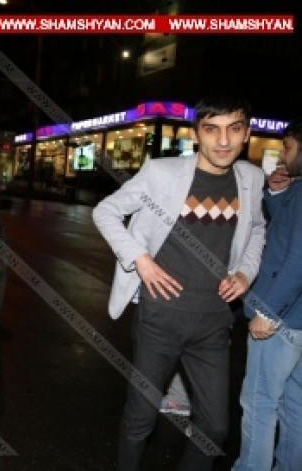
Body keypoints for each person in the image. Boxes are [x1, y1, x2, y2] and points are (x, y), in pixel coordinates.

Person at [92, 95, 266, 471]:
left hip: (214, 321)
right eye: (212, 129)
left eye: (234, 129)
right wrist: (141, 260)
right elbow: (106, 210)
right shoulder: (162, 173)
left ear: (246, 134)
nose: (223, 141)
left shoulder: (252, 179)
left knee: (215, 429)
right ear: (196, 134)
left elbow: (256, 228)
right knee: (141, 418)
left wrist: (245, 273)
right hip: (160, 318)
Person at [232, 119, 302, 471]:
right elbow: (285, 226)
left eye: (288, 147)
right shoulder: (297, 190)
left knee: (259, 403)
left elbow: (297, 258)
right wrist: (275, 193)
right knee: (295, 405)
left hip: (282, 318)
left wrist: (269, 311)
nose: (283, 156)